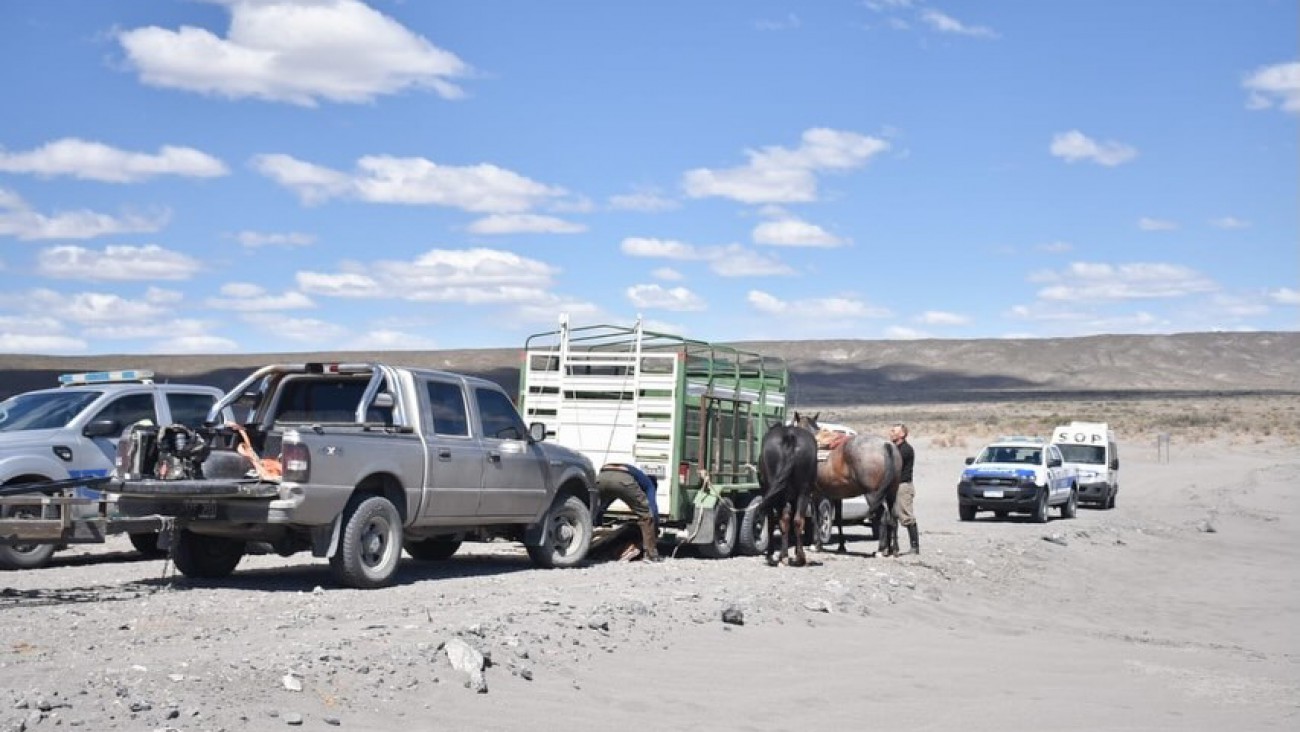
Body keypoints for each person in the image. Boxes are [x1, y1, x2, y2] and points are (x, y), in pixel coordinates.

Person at [595, 463, 661, 562]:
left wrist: (598, 519)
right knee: (646, 515)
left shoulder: (638, 474)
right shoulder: (649, 484)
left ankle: (583, 545)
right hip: (623, 479)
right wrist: (655, 527)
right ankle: (651, 554)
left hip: (602, 476)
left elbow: (606, 502)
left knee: (593, 509)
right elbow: (652, 509)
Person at [889, 423, 919, 555]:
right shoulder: (894, 448)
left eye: (894, 431)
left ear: (902, 434)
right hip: (894, 486)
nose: (891, 433)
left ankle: (914, 546)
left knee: (906, 516)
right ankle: (894, 545)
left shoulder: (906, 450)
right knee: (892, 516)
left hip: (903, 486)